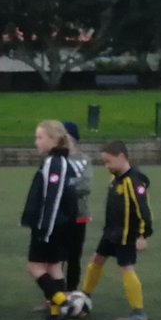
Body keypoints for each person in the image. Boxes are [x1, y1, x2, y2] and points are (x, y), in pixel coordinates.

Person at [80, 140, 153, 320]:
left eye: (108, 162)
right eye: (104, 162)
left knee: (126, 268)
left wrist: (142, 235)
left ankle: (138, 312)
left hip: (126, 234)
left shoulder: (132, 180)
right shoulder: (115, 178)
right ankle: (84, 296)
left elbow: (143, 210)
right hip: (110, 232)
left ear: (121, 157)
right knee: (96, 260)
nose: (106, 166)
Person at [23, 121, 79, 320]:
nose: (36, 142)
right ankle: (55, 316)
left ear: (54, 140)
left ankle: (62, 302)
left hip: (51, 226)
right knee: (54, 267)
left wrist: (45, 229)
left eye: (40, 137)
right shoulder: (60, 162)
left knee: (34, 267)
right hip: (61, 226)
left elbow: (53, 199)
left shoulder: (55, 163)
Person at [61, 122, 92, 293]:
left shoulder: (84, 160)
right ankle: (54, 295)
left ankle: (72, 291)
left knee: (74, 255)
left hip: (79, 214)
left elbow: (85, 185)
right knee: (57, 257)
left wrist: (65, 188)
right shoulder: (58, 159)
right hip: (60, 214)